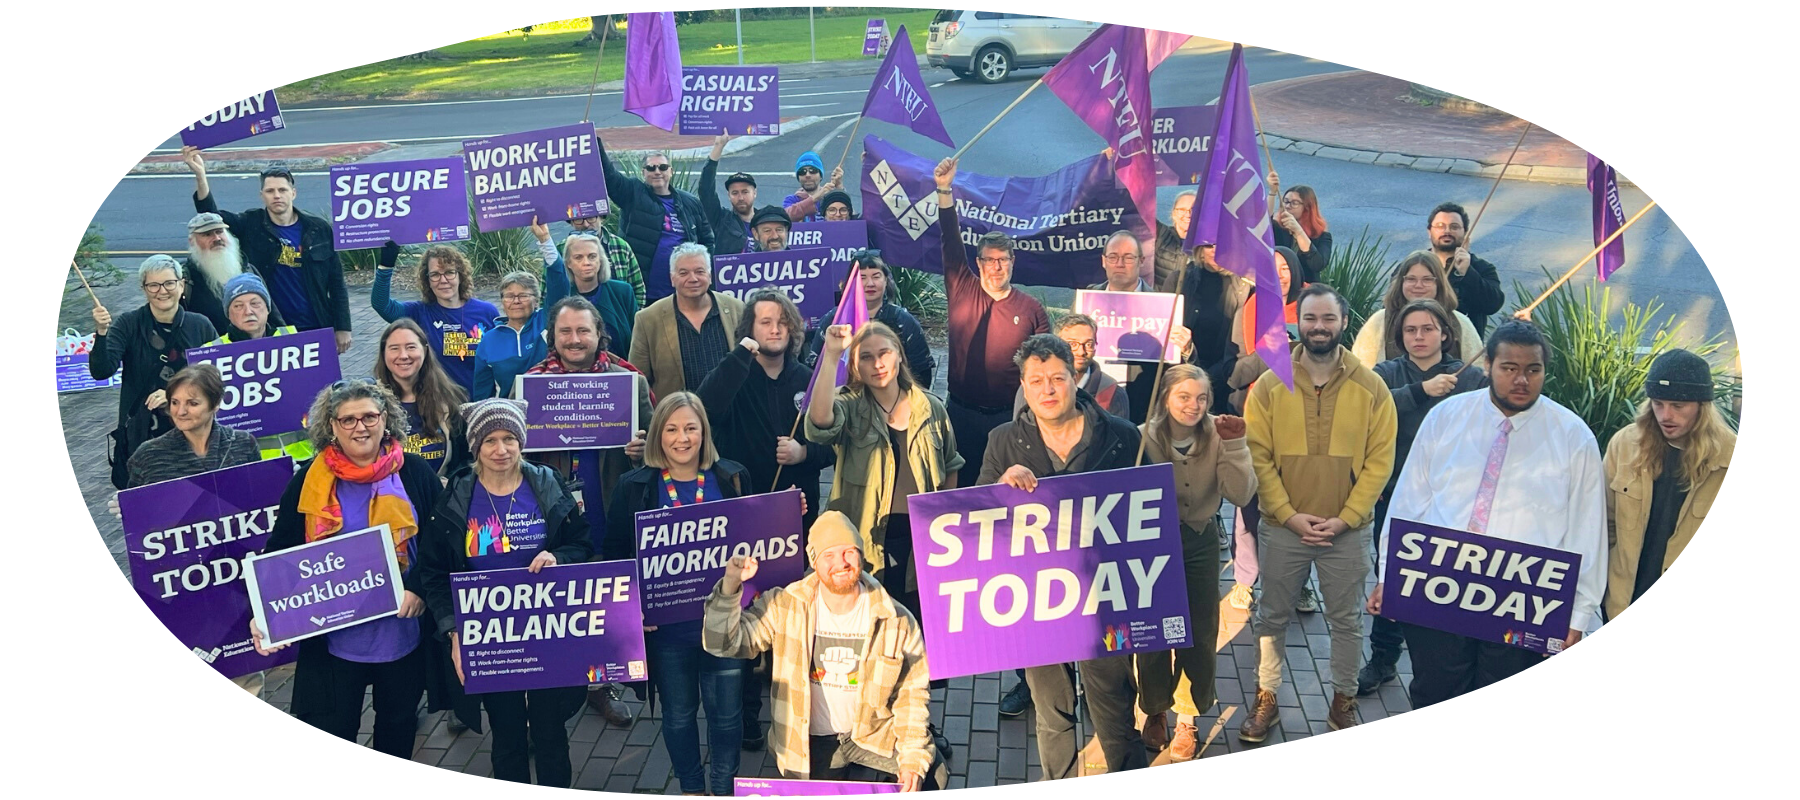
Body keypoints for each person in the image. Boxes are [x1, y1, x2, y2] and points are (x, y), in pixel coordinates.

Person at [1367, 320, 1604, 709]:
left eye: (1533, 369)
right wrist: (1390, 575)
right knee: (1433, 691)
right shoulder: (1447, 417)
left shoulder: (1573, 437)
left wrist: (1578, 615)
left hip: (1522, 598)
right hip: (1438, 587)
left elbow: (1586, 530)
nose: (1521, 379)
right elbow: (1408, 503)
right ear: (1489, 365)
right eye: (1509, 368)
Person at [250, 379, 449, 759]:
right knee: (334, 727)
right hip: (334, 641)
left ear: (385, 419)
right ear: (332, 426)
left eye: (370, 416)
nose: (361, 427)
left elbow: (441, 546)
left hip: (400, 633)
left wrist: (420, 590)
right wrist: (265, 614)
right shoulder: (309, 479)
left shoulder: (415, 474)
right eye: (348, 420)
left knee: (397, 726)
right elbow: (280, 550)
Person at [982, 334, 1147, 779]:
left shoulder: (1122, 437)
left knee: (1113, 711)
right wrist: (1000, 489)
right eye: (1036, 380)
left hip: (1104, 597)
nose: (1048, 389)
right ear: (1023, 385)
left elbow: (1149, 516)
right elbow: (978, 525)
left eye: (1057, 377)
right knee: (1052, 714)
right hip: (1036, 601)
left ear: (1075, 378)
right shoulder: (1002, 442)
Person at [1239, 284, 1396, 741]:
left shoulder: (1372, 387)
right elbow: (1257, 455)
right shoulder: (1270, 384)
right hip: (1283, 528)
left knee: (1346, 621)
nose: (1319, 327)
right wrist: (1287, 514)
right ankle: (1265, 697)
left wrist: (1346, 517)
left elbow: (1379, 461)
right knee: (1272, 617)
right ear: (1299, 322)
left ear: (1344, 322)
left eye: (1328, 319)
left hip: (1346, 532)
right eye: (1311, 318)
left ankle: (1342, 701)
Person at [418, 398, 593, 787]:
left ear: (522, 441)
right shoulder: (457, 496)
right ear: (475, 446)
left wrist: (558, 555)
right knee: (507, 734)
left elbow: (582, 544)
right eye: (490, 440)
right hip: (490, 636)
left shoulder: (547, 483)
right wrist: (454, 631)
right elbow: (433, 572)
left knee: (550, 732)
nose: (501, 450)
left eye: (510, 438)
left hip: (548, 630)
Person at [703, 512, 945, 790]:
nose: (841, 563)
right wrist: (731, 584)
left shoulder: (897, 619)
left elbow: (912, 696)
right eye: (828, 555)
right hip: (811, 742)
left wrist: (913, 761)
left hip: (871, 737)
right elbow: (722, 643)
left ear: (861, 556)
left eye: (849, 552)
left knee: (932, 775)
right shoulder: (785, 605)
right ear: (813, 562)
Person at [603, 392, 760, 795]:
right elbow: (616, 556)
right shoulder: (634, 487)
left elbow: (760, 540)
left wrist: (789, 511)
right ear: (657, 435)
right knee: (677, 715)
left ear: (704, 432)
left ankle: (723, 787)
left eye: (691, 427)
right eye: (671, 429)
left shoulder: (733, 477)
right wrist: (630, 608)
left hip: (726, 626)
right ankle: (691, 787)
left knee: (727, 717)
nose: (682, 438)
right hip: (668, 632)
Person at [524, 296, 652, 728]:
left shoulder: (628, 381)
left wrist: (640, 449)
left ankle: (602, 687)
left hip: (608, 505)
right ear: (552, 337)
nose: (574, 340)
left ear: (600, 333)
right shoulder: (529, 385)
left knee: (604, 603)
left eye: (583, 331)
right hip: (554, 515)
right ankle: (553, 690)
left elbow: (657, 446)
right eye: (565, 332)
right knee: (559, 604)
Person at [1357, 299, 1488, 696]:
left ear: (1446, 334)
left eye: (1428, 329)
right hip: (1397, 495)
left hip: (1454, 502)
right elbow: (1368, 411)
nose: (1419, 337)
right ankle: (1383, 657)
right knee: (1392, 574)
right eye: (1411, 330)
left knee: (1443, 579)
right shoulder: (1386, 374)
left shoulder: (1468, 377)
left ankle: (1436, 659)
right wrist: (1420, 390)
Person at [1135, 365, 1255, 761]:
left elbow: (1240, 494)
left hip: (1201, 537)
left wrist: (1237, 446)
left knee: (1200, 630)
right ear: (1166, 397)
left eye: (1201, 398)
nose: (1194, 405)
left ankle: (1187, 715)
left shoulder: (1220, 435)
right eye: (1184, 397)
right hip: (1152, 542)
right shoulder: (1142, 437)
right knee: (1152, 631)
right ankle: (1154, 706)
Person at [121, 364, 265, 692]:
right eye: (174, 402)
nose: (181, 410)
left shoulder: (243, 445)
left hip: (233, 575)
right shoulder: (149, 455)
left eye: (192, 402)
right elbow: (140, 525)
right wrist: (127, 509)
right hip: (179, 578)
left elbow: (258, 507)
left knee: (242, 664)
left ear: (216, 403)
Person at [806, 321, 962, 621]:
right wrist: (830, 355)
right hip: (867, 542)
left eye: (884, 353)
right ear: (855, 365)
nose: (877, 364)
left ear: (899, 355)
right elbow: (820, 423)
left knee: (919, 628)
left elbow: (951, 464)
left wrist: (946, 522)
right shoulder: (850, 407)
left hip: (922, 545)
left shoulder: (931, 407)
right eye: (865, 357)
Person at [935, 157, 1051, 491]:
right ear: (978, 262)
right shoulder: (962, 287)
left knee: (1008, 492)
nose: (996, 267)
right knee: (961, 489)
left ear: (1013, 263)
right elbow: (950, 240)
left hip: (1010, 418)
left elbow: (1045, 365)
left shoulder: (1031, 310)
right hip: (960, 414)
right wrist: (944, 189)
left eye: (1003, 260)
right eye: (989, 260)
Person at [1603, 349, 1733, 620]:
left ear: (1702, 405)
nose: (1665, 415)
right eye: (1658, 403)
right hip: (1621, 601)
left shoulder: (1727, 456)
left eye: (1677, 406)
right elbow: (1604, 527)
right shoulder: (1625, 445)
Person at [183, 147, 352, 354]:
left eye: (282, 190)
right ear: (262, 195)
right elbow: (211, 217)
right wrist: (200, 175)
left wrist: (343, 326)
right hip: (272, 331)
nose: (277, 196)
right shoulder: (250, 224)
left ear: (293, 193)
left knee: (322, 385)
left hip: (316, 324)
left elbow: (336, 282)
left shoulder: (318, 229)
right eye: (270, 191)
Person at [696, 289, 832, 529]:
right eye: (766, 322)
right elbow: (706, 409)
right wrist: (740, 355)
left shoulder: (809, 380)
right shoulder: (733, 374)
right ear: (750, 328)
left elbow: (833, 444)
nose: (775, 329)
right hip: (742, 506)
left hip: (799, 509)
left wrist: (803, 452)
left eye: (783, 322)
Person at [91, 255, 219, 489]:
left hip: (196, 434)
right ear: (144, 289)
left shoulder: (200, 325)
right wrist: (101, 333)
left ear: (181, 285)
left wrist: (172, 395)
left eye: (169, 283)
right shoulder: (128, 324)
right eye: (153, 285)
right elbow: (101, 371)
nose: (162, 291)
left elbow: (218, 377)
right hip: (143, 435)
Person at [202, 273, 311, 461]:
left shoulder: (295, 341)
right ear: (228, 313)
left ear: (267, 308)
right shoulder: (211, 355)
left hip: (304, 456)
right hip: (245, 460)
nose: (248, 311)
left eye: (255, 303)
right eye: (238, 306)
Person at [1087, 231, 1192, 423]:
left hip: (1145, 410)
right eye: (1113, 257)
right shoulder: (1087, 301)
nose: (1119, 263)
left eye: (1128, 257)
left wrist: (1186, 350)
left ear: (1141, 261)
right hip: (1093, 405)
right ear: (1103, 261)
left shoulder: (1164, 306)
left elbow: (1178, 371)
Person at [371, 243, 499, 396]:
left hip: (480, 405)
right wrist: (386, 265)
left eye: (449, 272)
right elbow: (382, 305)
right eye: (435, 275)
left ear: (460, 275)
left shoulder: (486, 312)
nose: (443, 280)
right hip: (439, 406)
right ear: (428, 280)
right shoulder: (418, 312)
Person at [597, 141, 714, 304]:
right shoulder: (633, 192)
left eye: (663, 167)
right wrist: (595, 143)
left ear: (671, 171)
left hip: (683, 292)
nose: (657, 172)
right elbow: (610, 177)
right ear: (643, 172)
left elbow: (707, 242)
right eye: (651, 168)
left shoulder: (691, 203)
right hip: (646, 293)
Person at [629, 243, 747, 404]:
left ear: (710, 276)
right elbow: (638, 381)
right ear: (672, 278)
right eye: (683, 273)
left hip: (733, 416)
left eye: (700, 271)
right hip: (678, 420)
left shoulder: (737, 309)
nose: (693, 279)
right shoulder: (648, 319)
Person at [1351, 250, 1484, 368]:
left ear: (1439, 283)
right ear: (1401, 282)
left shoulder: (1460, 322)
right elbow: (1361, 372)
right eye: (1411, 279)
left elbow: (1478, 370)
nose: (1418, 285)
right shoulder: (1379, 322)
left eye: (1427, 280)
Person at [699, 134, 825, 255]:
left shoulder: (768, 218)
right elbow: (706, 191)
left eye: (745, 192)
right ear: (728, 196)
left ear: (755, 193)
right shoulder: (722, 220)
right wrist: (718, 147)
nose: (741, 197)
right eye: (735, 193)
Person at [374, 319, 468, 477]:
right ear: (384, 354)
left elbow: (464, 459)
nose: (403, 356)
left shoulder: (453, 399)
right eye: (394, 348)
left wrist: (451, 485)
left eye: (411, 347)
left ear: (425, 350)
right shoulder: (371, 403)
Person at [536, 220, 637, 357]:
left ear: (601, 260)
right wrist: (544, 239)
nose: (586, 262)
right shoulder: (562, 296)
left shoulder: (622, 292)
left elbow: (637, 339)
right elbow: (555, 272)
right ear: (568, 264)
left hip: (619, 370)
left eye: (592, 256)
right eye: (578, 257)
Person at [183, 212, 284, 335]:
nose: (217, 239)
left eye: (219, 231)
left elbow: (272, 314)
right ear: (192, 241)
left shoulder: (248, 269)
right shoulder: (187, 278)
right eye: (207, 234)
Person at [1013, 314, 1129, 419]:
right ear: (1056, 345)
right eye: (1072, 344)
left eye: (1089, 344)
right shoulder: (1032, 387)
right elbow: (1018, 434)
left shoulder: (1111, 392)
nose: (1081, 351)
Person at [852, 251, 935, 391]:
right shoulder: (835, 321)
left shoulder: (903, 321)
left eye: (876, 276)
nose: (869, 283)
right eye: (862, 277)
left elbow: (922, 374)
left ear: (886, 280)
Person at [1425, 202, 1504, 336]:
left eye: (1454, 227)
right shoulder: (1414, 266)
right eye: (1440, 226)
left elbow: (1493, 305)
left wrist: (1467, 273)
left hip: (1465, 349)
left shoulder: (1482, 268)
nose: (1447, 231)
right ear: (1429, 232)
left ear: (1466, 234)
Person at [471, 271, 547, 400]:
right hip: (509, 414)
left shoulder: (546, 323)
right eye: (509, 296)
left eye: (523, 295)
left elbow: (559, 287)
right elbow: (482, 393)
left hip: (551, 410)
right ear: (502, 302)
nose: (516, 301)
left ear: (536, 300)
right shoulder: (489, 340)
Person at [569, 211, 647, 308]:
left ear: (601, 217)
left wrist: (632, 319)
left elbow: (638, 289)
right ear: (571, 222)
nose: (586, 224)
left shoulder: (621, 247)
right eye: (578, 219)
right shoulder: (561, 251)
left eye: (591, 217)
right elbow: (547, 296)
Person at [1266, 173, 1333, 284]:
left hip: (1305, 290)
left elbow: (1317, 264)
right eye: (1286, 201)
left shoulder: (1322, 236)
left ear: (1307, 207)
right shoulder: (1278, 228)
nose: (1288, 206)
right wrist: (1272, 192)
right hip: (1278, 284)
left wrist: (1298, 231)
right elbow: (1264, 221)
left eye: (1294, 203)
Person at [784, 151, 838, 223]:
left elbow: (850, 218)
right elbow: (786, 217)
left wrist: (839, 188)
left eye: (813, 170)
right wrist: (815, 198)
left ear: (821, 176)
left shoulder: (831, 198)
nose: (808, 175)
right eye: (802, 171)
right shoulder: (791, 200)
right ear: (798, 177)